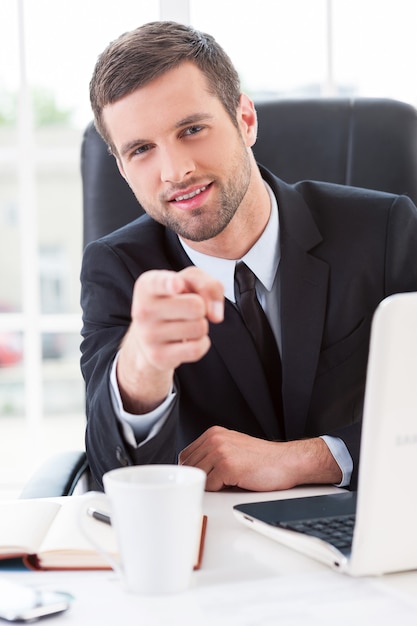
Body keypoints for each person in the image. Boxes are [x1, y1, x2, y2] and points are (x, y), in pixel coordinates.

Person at [81, 20, 417, 492]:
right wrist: (141, 366)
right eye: (141, 149)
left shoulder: (382, 231)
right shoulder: (117, 269)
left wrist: (309, 459)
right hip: (219, 550)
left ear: (246, 120)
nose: (175, 170)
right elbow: (110, 475)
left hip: (365, 531)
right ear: (120, 167)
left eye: (192, 129)